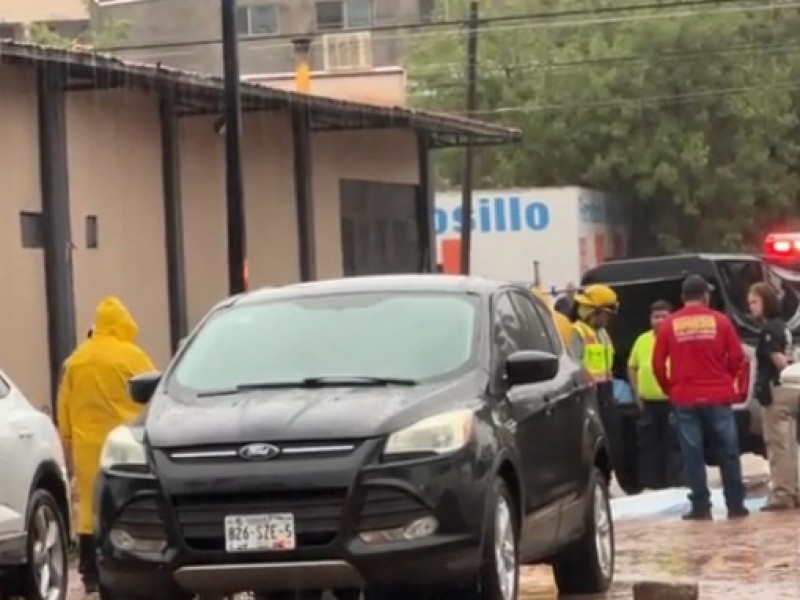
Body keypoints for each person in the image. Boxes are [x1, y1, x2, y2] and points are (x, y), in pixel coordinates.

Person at [57, 296, 156, 594]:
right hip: (126, 448)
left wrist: (68, 447)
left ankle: (89, 572)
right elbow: (155, 395)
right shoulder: (133, 357)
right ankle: (129, 561)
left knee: (89, 509)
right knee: (126, 504)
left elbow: (64, 409)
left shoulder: (76, 360)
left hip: (88, 449)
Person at [653, 275, 748, 520]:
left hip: (685, 397)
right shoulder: (721, 321)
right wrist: (725, 376)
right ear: (706, 296)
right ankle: (736, 505)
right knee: (728, 450)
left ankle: (701, 506)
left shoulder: (669, 325)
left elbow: (657, 363)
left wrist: (670, 388)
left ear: (683, 298)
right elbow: (738, 356)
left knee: (692, 453)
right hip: (718, 395)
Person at [748, 282, 798, 511]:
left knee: (778, 444)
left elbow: (779, 360)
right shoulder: (783, 326)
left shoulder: (769, 331)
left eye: (754, 302)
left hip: (776, 391)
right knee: (789, 443)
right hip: (791, 389)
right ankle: (794, 490)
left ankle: (782, 494)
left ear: (766, 301)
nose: (751, 308)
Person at [628, 300, 681, 490]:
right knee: (648, 445)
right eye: (655, 317)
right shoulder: (642, 340)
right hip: (648, 404)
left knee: (674, 445)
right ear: (650, 319)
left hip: (672, 402)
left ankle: (675, 485)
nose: (659, 320)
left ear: (672, 318)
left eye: (664, 316)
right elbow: (632, 367)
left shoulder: (677, 338)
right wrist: (636, 393)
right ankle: (650, 485)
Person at [571, 285, 623, 471]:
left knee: (611, 439)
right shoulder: (577, 332)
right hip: (589, 394)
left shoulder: (602, 333)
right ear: (595, 311)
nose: (608, 318)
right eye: (606, 314)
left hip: (605, 393)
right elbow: (574, 366)